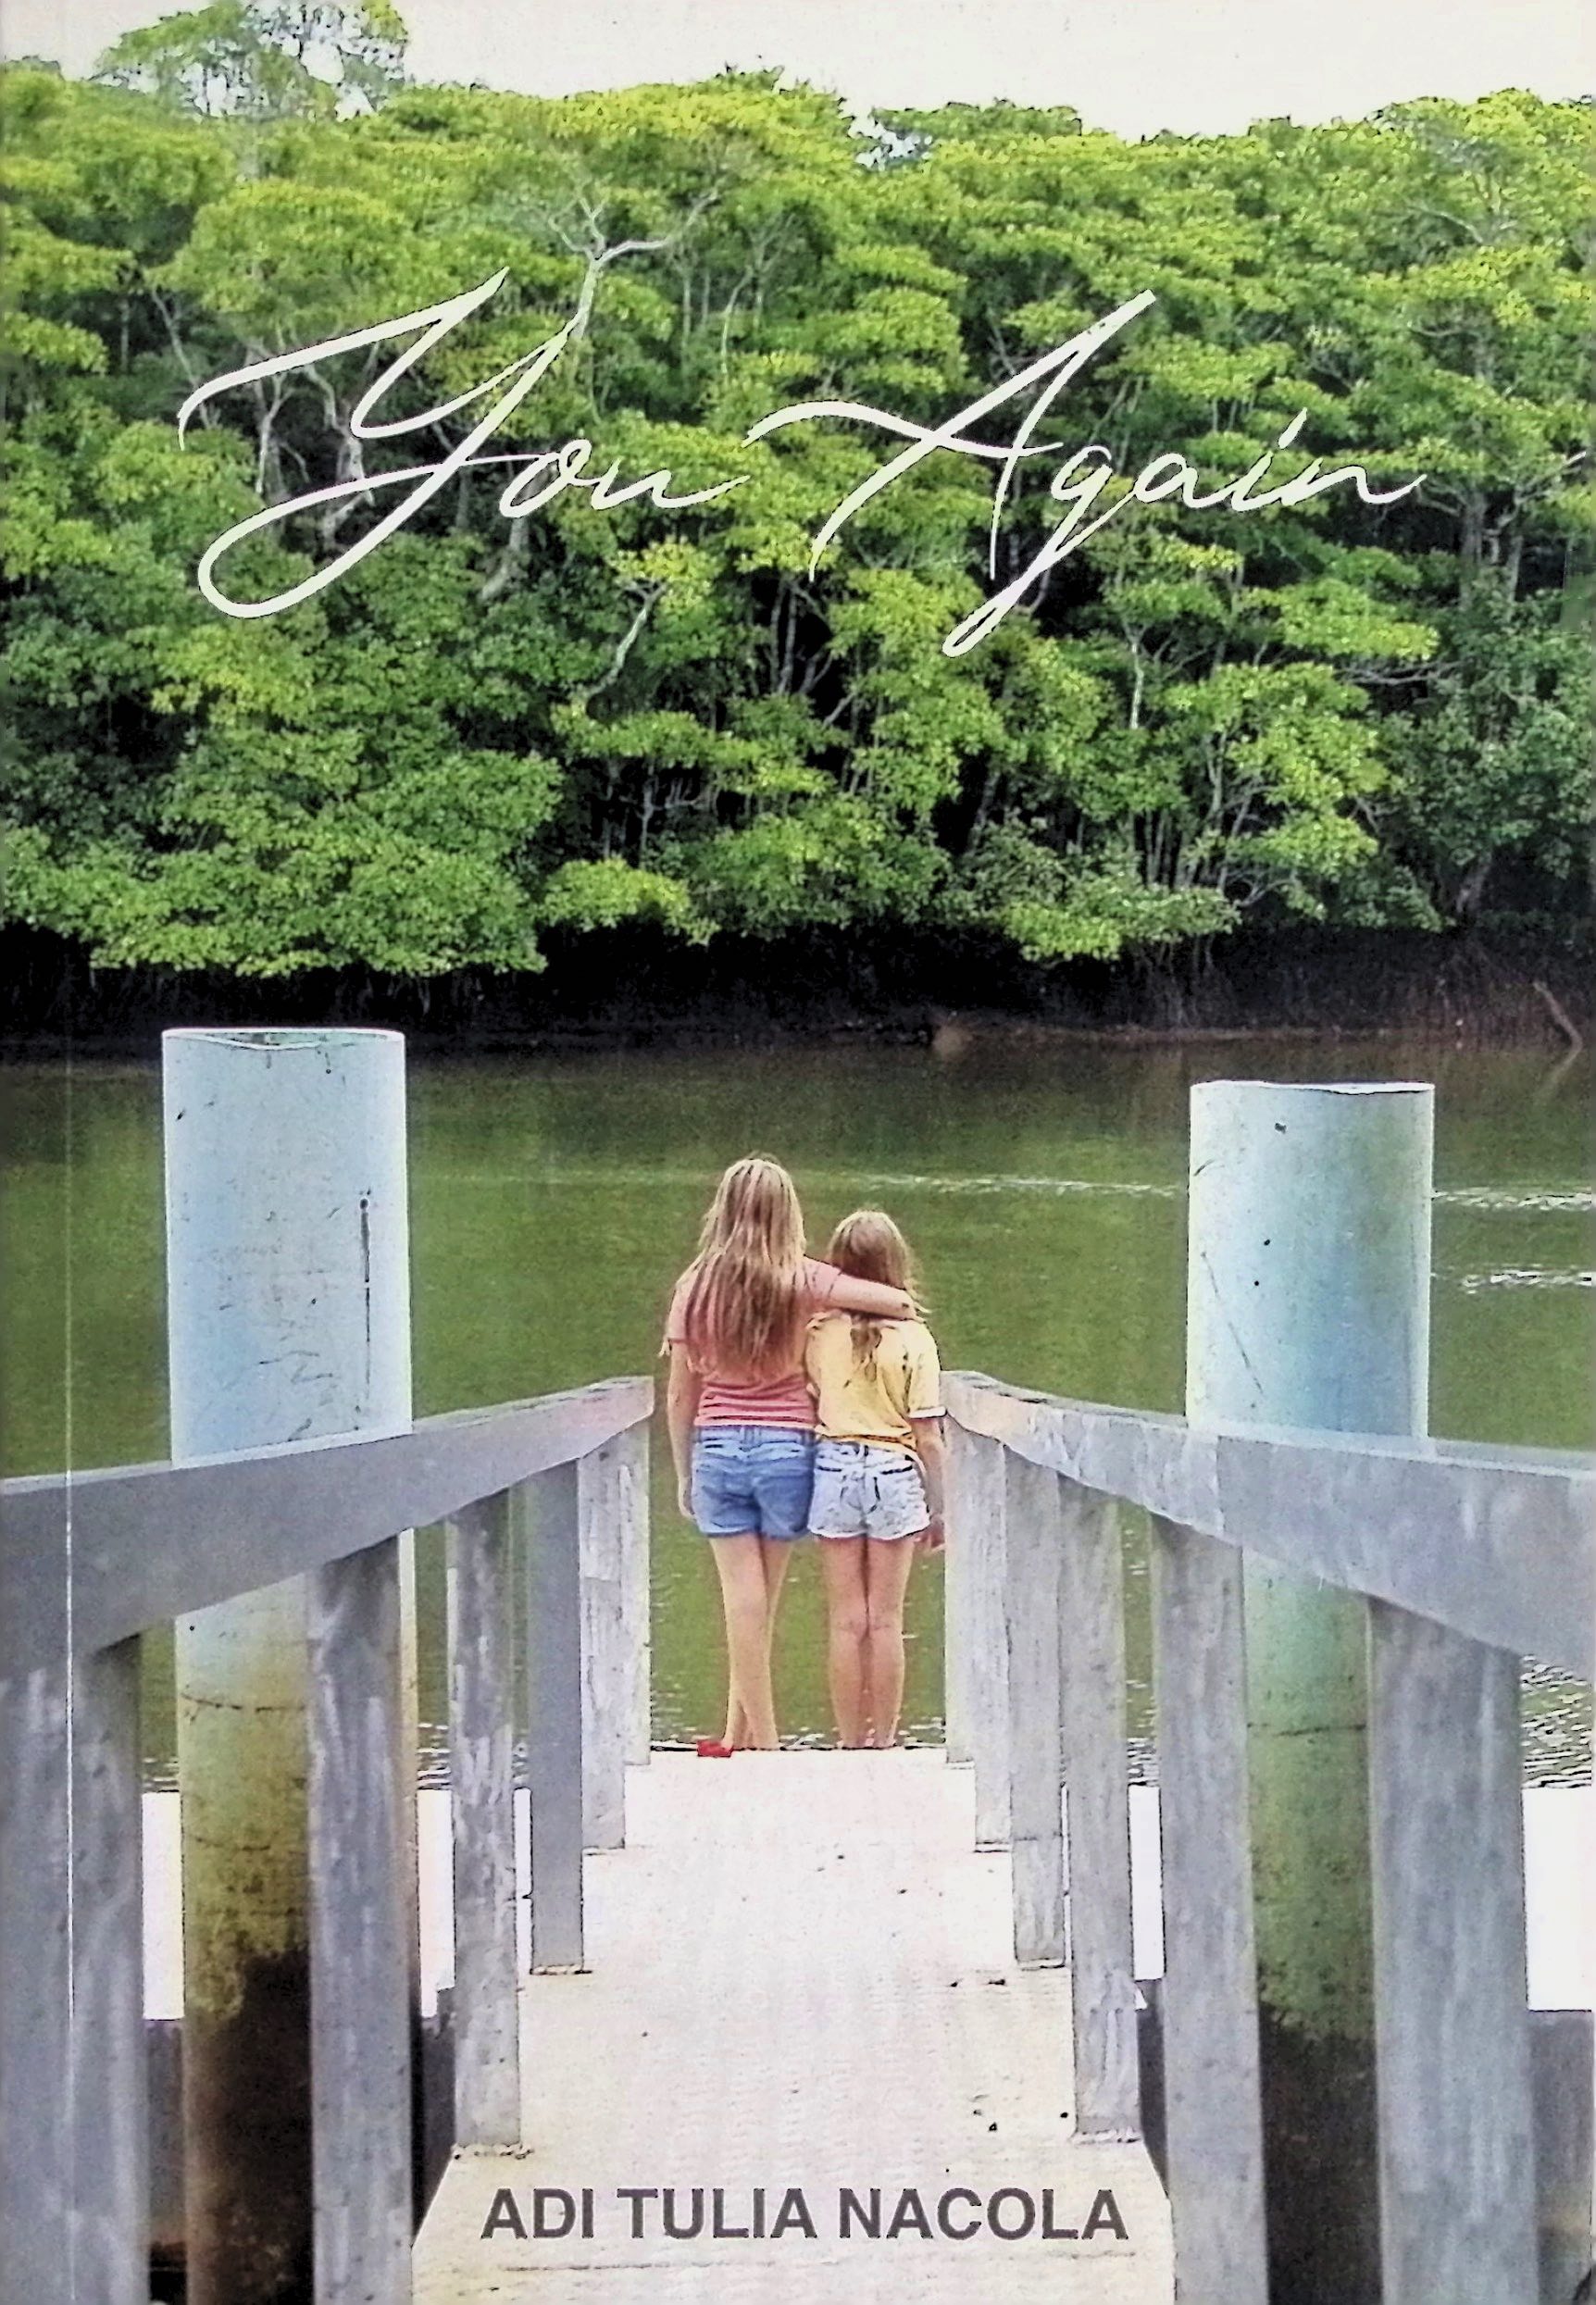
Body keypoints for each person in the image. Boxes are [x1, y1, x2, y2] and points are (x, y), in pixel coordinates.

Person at [664, 1157, 914, 1753]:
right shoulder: (801, 1279)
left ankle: (763, 1741)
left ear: (722, 1211)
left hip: (718, 1447)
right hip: (787, 1450)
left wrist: (682, 1468)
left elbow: (679, 1391)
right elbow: (896, 1303)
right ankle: (741, 1736)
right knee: (761, 1602)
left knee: (741, 1602)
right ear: (788, 1214)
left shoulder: (695, 1285)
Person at [804, 1210, 947, 1749]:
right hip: (893, 1469)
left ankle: (847, 1741)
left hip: (835, 1465)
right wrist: (941, 1510)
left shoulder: (818, 1335)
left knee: (845, 1621)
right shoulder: (915, 1340)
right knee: (885, 1620)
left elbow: (814, 1394)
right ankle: (885, 1742)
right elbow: (928, 1435)